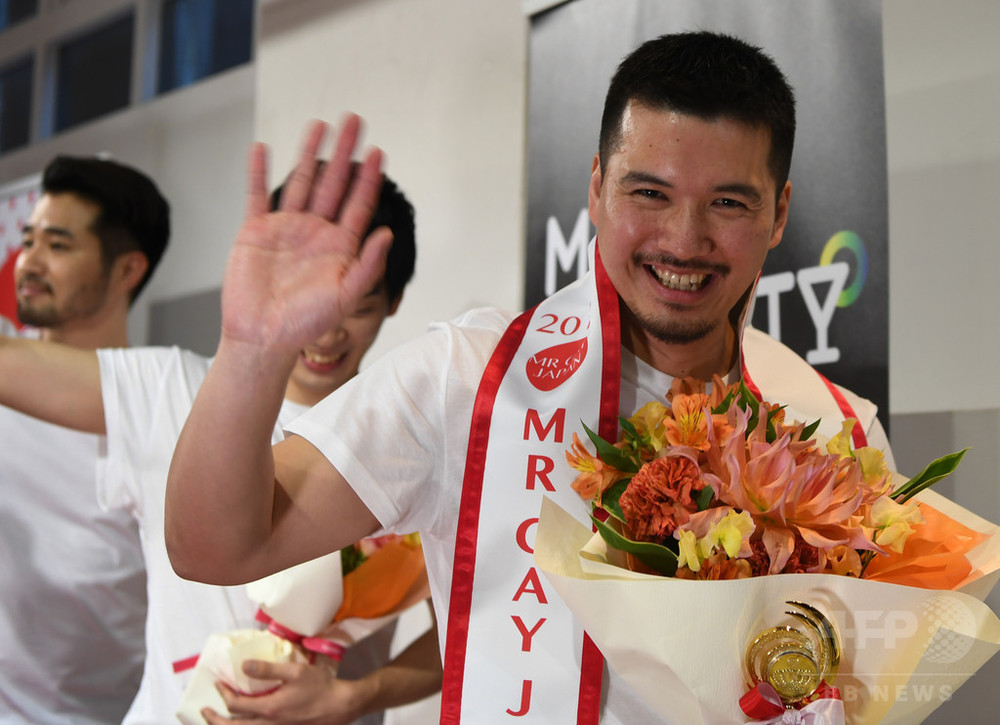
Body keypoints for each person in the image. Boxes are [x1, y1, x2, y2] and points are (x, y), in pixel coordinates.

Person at [164, 33, 893, 724]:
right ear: (598, 190)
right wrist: (250, 349)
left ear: (779, 214)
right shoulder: (471, 375)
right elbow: (215, 545)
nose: (684, 238)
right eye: (649, 193)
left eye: (728, 202)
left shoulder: (837, 430)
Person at [0, 160, 440, 724]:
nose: (326, 332)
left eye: (357, 307)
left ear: (394, 302)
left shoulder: (408, 433)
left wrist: (357, 695)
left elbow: (463, 622)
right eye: (314, 298)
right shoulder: (170, 389)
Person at [0, 155, 167, 724]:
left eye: (58, 245)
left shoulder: (160, 412)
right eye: (28, 240)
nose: (30, 262)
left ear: (127, 271)